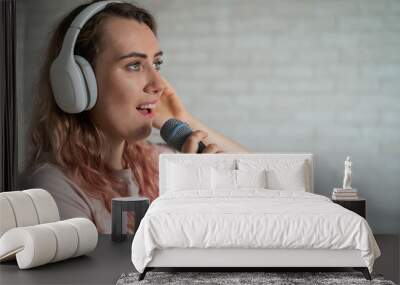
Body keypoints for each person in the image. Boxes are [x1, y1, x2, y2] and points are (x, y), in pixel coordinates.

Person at [22, 0, 248, 234]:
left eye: (156, 63)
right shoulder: (53, 188)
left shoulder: (154, 160)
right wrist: (186, 205)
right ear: (77, 83)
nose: (159, 84)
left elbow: (273, 180)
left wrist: (184, 120)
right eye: (134, 65)